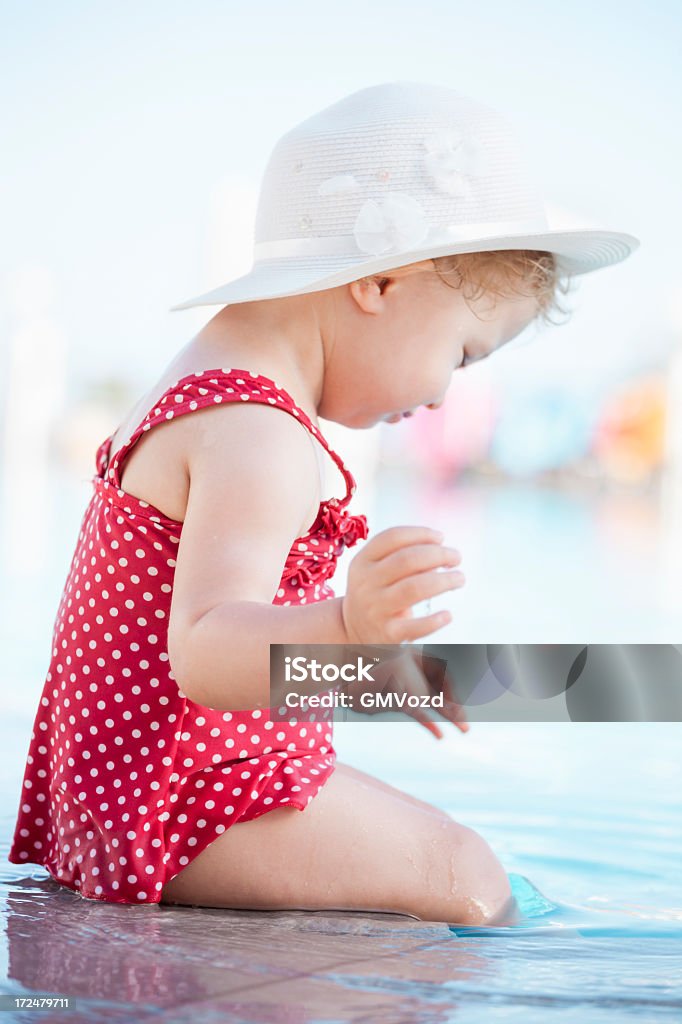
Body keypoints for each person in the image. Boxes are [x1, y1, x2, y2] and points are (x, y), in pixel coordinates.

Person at [7, 81, 638, 925]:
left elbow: (215, 643)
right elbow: (202, 651)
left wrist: (366, 669)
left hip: (153, 784)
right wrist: (347, 627)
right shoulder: (257, 432)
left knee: (430, 834)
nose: (448, 395)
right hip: (178, 805)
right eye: (460, 353)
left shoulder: (213, 384)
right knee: (466, 874)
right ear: (379, 284)